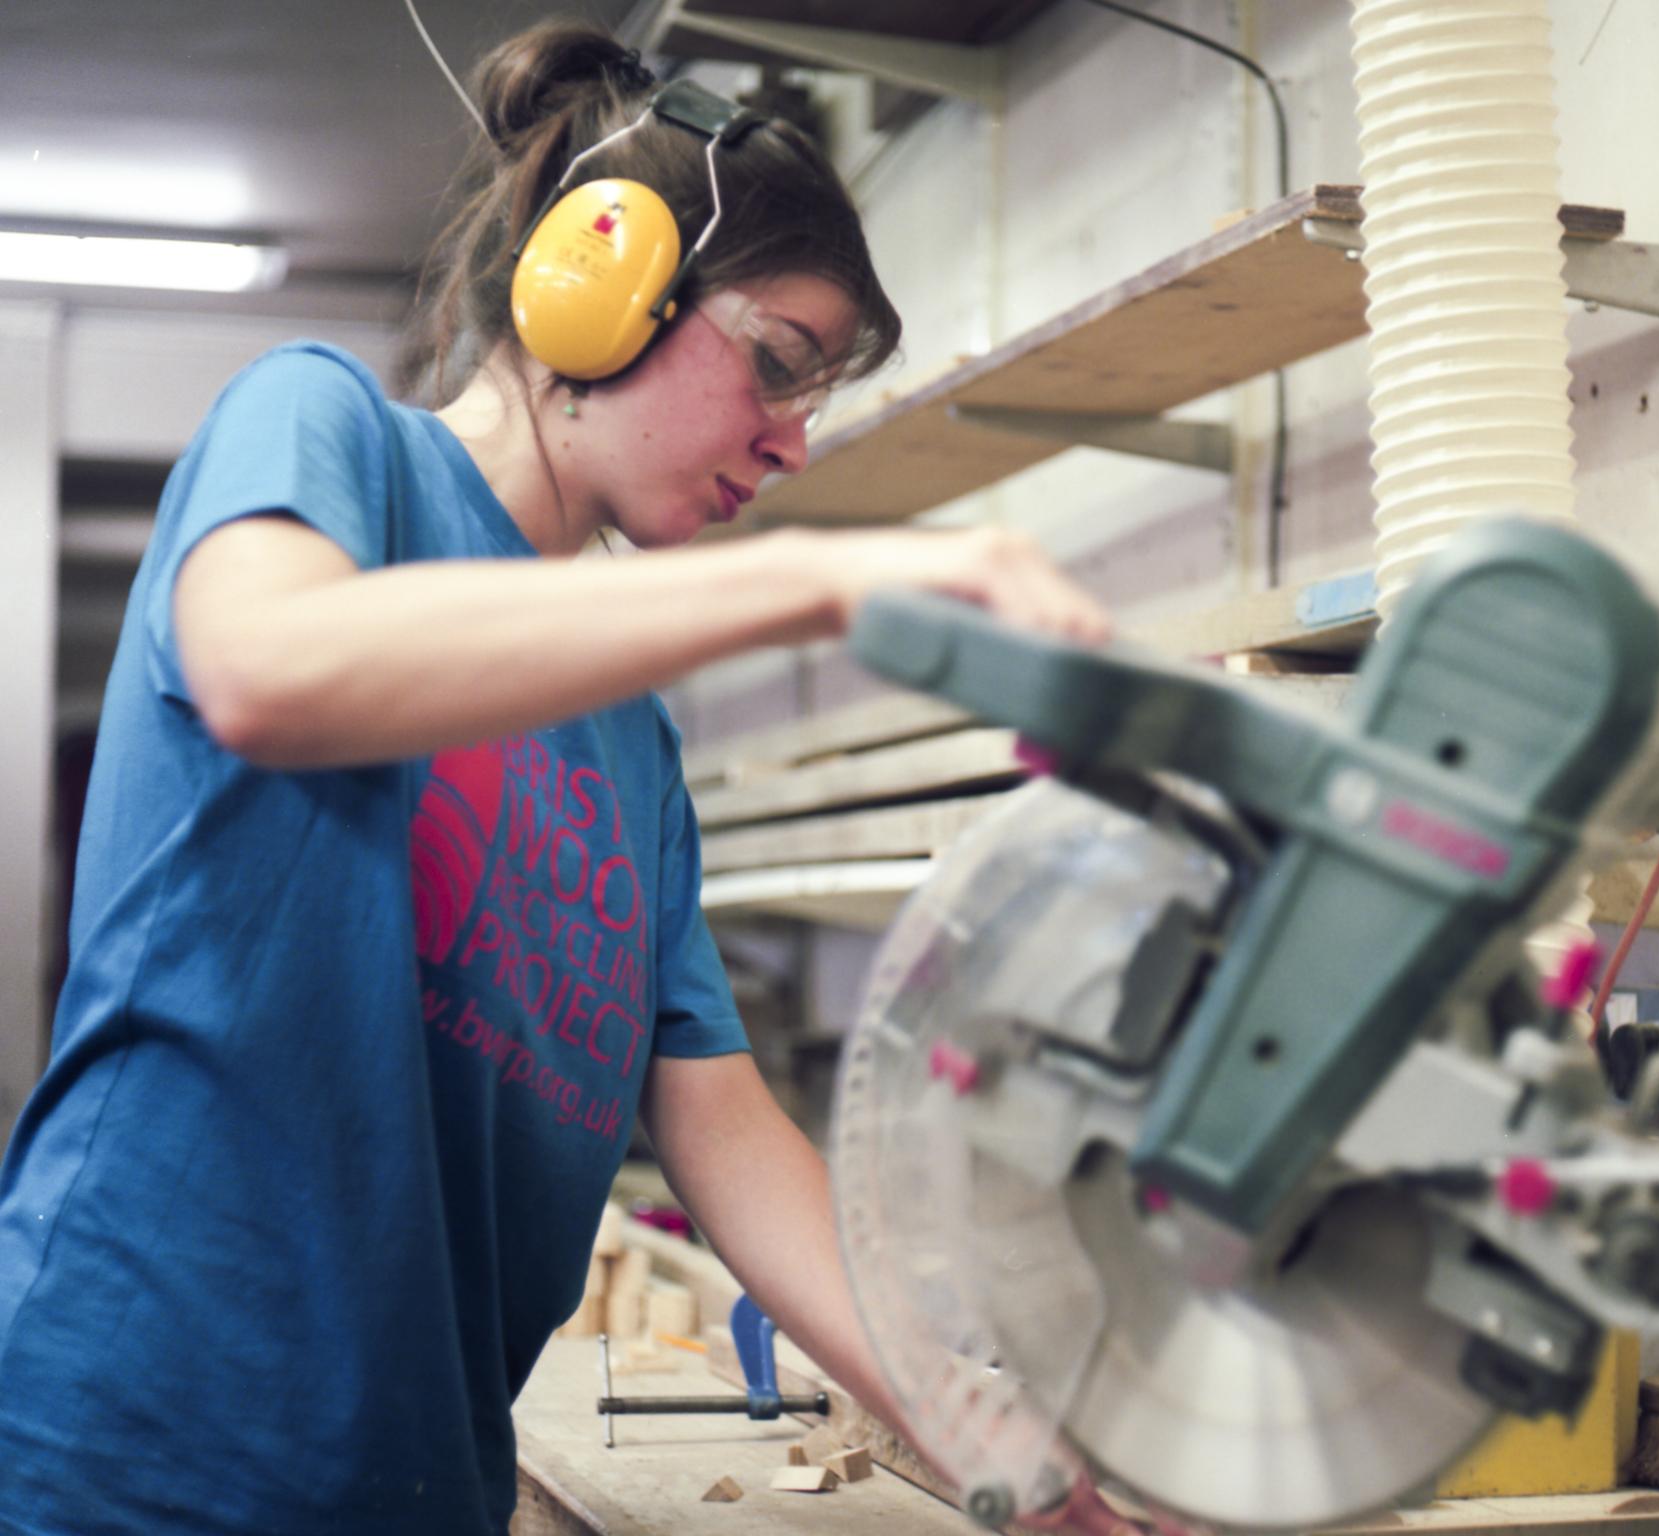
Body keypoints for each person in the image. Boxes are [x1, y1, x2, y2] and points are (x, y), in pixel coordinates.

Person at [0, 21, 1119, 1536]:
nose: (791, 444)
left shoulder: (629, 738)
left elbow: (724, 1130)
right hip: (132, 1459)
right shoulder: (322, 432)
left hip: (408, 1486)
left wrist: (977, 1414)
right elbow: (271, 670)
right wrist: (836, 588)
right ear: (601, 284)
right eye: (778, 366)